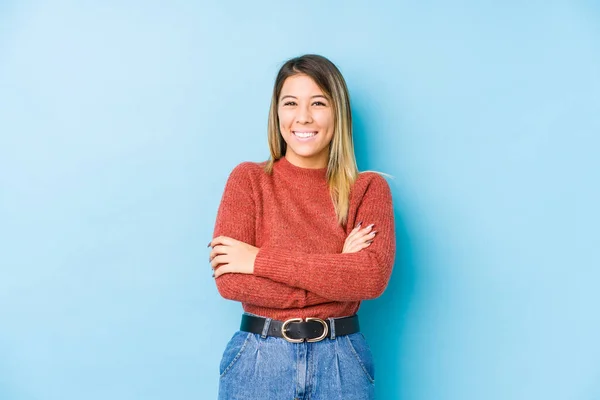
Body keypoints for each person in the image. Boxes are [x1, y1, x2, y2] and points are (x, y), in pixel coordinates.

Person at [208, 54, 396, 399]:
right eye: (290, 103)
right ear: (277, 112)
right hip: (258, 360)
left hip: (342, 361)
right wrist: (338, 270)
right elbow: (231, 282)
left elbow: (370, 278)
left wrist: (259, 260)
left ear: (337, 112)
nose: (303, 117)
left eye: (319, 103)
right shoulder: (248, 180)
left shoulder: (368, 188)